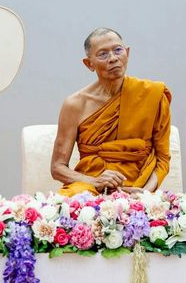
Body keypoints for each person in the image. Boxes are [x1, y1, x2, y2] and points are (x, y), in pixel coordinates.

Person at [51, 28, 172, 196]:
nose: (113, 58)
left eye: (118, 50)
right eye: (103, 54)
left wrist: (144, 193)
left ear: (127, 53)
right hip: (90, 185)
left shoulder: (153, 94)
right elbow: (58, 168)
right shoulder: (75, 104)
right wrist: (96, 182)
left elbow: (162, 159)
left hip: (138, 185)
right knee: (74, 202)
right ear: (89, 64)